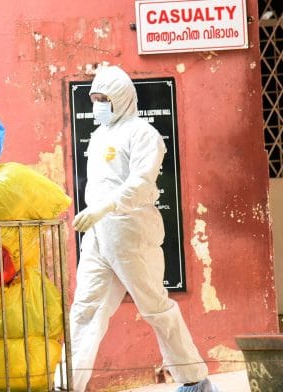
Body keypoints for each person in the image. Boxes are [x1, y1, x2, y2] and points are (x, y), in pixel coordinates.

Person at [70, 66, 217, 392]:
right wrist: (97, 215)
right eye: (94, 98)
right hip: (97, 236)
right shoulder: (97, 135)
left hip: (132, 235)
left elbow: (140, 184)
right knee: (84, 311)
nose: (98, 104)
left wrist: (103, 208)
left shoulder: (143, 134)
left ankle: (194, 380)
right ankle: (66, 384)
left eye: (103, 98)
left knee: (156, 309)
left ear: (121, 98)